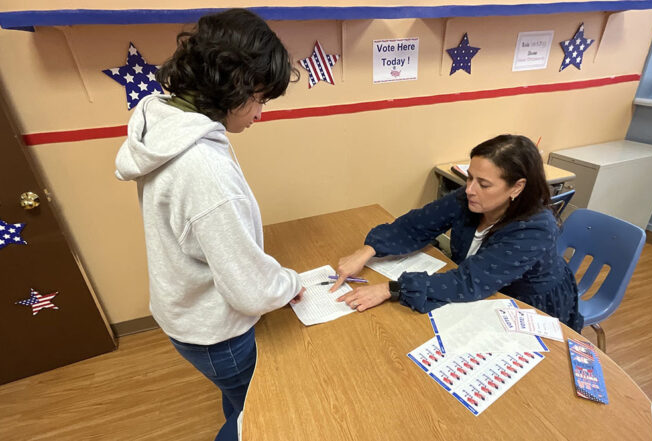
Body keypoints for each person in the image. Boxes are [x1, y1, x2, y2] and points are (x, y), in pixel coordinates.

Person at [114, 9, 303, 441]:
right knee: (258, 417)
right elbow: (249, 290)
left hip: (183, 313)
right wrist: (291, 283)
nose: (260, 113)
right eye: (259, 98)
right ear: (230, 87)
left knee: (236, 402)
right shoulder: (204, 170)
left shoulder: (161, 118)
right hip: (215, 331)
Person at [331, 134, 583, 332]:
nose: (470, 189)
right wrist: (367, 251)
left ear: (517, 187)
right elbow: (417, 224)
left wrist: (391, 289)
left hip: (525, 305)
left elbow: (469, 282)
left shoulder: (536, 228)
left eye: (483, 184)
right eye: (470, 177)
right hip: (482, 291)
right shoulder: (470, 198)